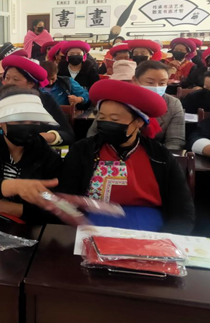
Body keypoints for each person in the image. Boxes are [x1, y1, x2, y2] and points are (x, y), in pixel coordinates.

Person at [59, 80, 195, 234]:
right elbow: (66, 198)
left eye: (115, 119)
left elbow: (183, 210)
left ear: (138, 121)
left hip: (151, 230)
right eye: (101, 117)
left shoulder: (160, 155)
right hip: (91, 226)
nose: (106, 123)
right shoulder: (83, 150)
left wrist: (167, 239)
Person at [0, 87, 62, 223]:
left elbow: (54, 208)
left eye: (34, 122)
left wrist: (12, 208)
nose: (27, 127)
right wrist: (14, 186)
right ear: (0, 122)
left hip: (28, 228)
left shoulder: (48, 156)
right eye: (19, 121)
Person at [87, 60, 185, 152]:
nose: (156, 87)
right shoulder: (117, 99)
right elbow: (94, 133)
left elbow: (175, 141)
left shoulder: (173, 104)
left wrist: (158, 158)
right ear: (135, 80)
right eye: (150, 82)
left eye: (162, 83)